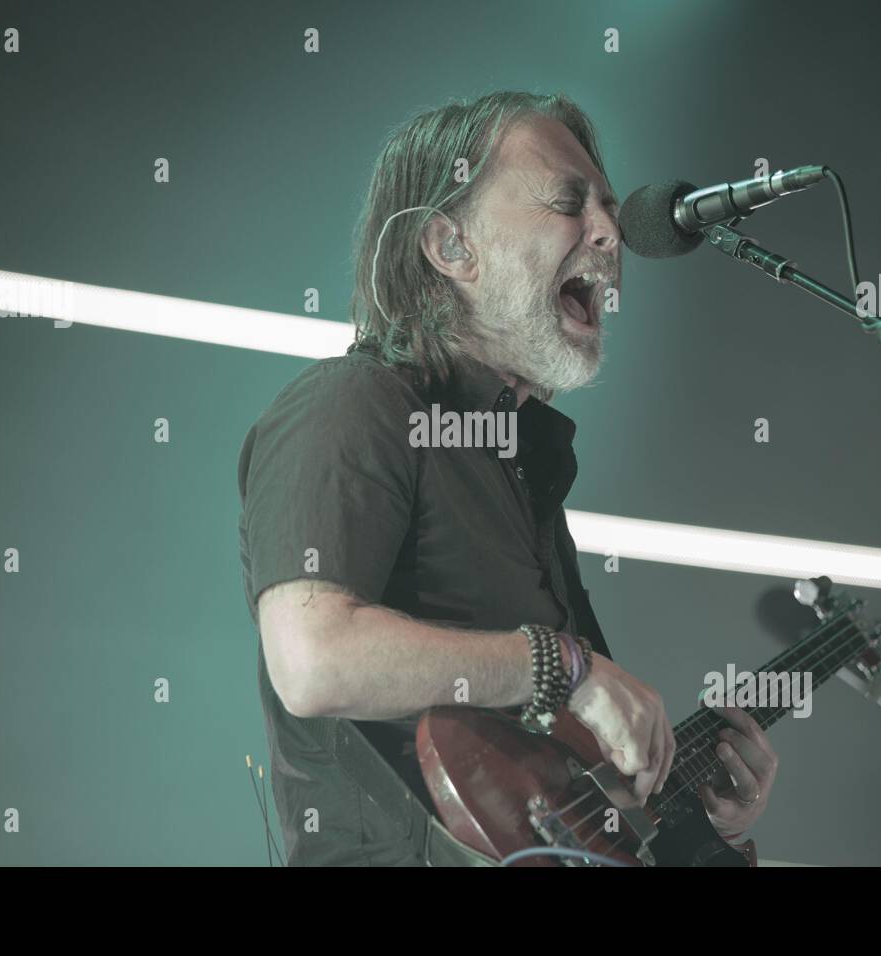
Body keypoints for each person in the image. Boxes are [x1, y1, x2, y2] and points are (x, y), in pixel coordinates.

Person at [237, 91, 778, 865]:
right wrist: (566, 666)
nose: (609, 233)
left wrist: (692, 813)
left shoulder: (519, 469)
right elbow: (313, 660)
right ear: (452, 247)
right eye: (567, 203)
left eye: (609, 209)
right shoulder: (350, 403)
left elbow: (568, 796)